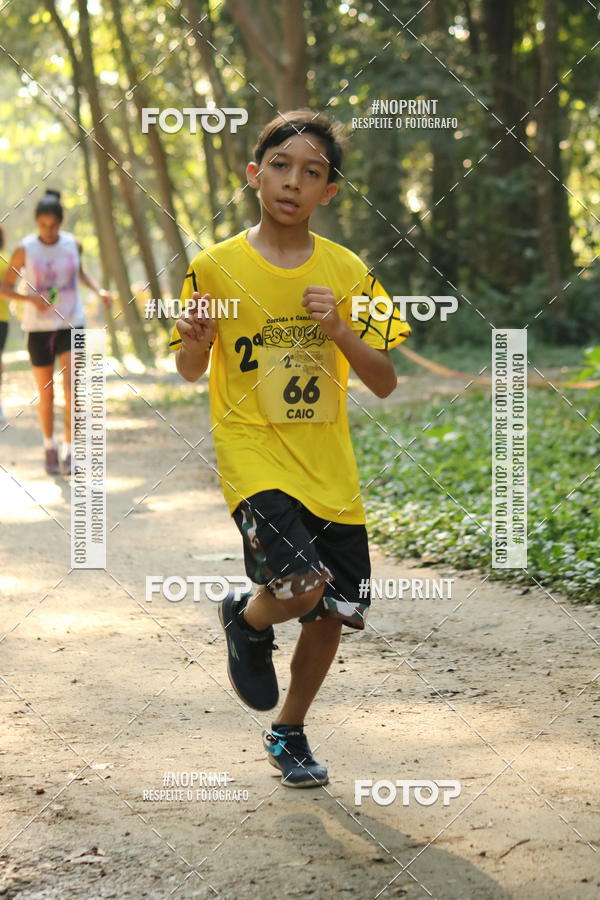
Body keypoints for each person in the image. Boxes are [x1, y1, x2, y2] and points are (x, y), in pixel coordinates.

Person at [170, 110, 410, 788]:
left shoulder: (348, 270)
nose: (292, 182)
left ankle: (289, 729)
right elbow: (189, 369)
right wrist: (196, 343)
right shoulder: (213, 267)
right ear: (255, 174)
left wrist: (339, 329)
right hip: (252, 454)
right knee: (301, 585)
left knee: (334, 612)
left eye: (311, 173)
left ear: (328, 192)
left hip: (328, 467)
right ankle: (249, 619)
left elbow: (385, 381)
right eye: (280, 166)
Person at [1, 190, 111, 473]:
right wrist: (30, 299)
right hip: (38, 328)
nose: (48, 231)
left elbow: (79, 272)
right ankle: (49, 446)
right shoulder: (25, 249)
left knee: (72, 389)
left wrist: (98, 290)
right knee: (46, 393)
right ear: (37, 222)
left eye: (53, 225)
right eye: (43, 225)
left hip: (71, 323)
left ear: (61, 223)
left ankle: (70, 450)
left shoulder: (73, 244)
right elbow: (4, 287)